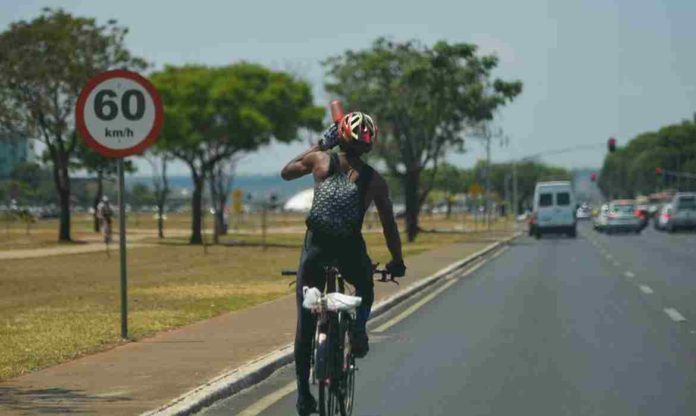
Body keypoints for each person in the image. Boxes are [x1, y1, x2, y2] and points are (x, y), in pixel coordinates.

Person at [281, 111, 406, 415]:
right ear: (368, 144)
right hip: (349, 249)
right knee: (364, 284)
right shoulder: (375, 180)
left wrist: (320, 144)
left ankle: (303, 395)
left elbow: (286, 172)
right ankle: (359, 328)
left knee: (305, 320)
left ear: (341, 137)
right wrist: (397, 261)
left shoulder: (320, 161)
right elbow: (390, 226)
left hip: (316, 248)